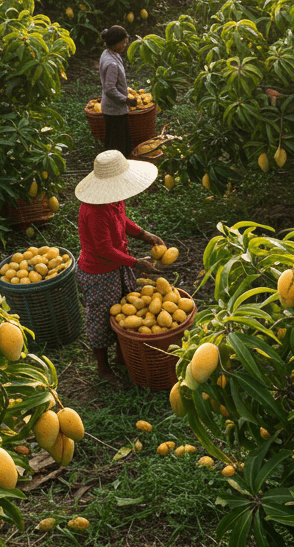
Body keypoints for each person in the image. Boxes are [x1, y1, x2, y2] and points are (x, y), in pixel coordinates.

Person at [75, 149, 167, 382]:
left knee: (124, 310)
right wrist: (136, 263)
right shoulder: (94, 210)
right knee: (100, 318)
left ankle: (121, 356)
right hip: (98, 274)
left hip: (118, 265)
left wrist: (144, 234)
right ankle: (103, 368)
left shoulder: (114, 197)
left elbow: (121, 220)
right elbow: (104, 250)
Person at [98, 25, 133, 157]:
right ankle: (116, 165)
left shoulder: (108, 53)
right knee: (118, 145)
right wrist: (126, 100)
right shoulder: (111, 63)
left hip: (113, 108)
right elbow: (110, 89)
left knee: (114, 140)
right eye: (123, 42)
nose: (125, 45)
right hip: (114, 110)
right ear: (115, 43)